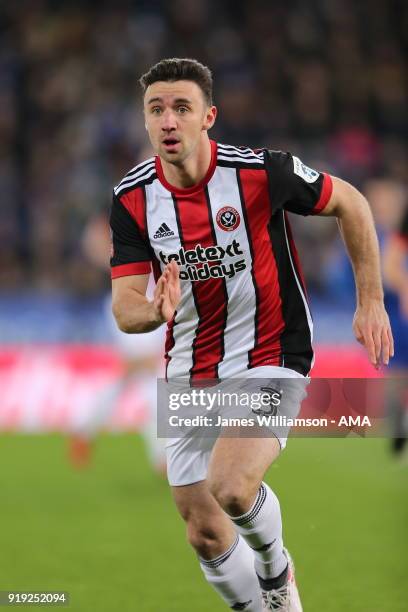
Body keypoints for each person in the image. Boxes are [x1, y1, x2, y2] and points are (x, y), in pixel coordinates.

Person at [109, 58, 393, 611]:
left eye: (181, 108)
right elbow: (126, 308)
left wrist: (371, 299)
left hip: (272, 349)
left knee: (233, 486)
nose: (168, 120)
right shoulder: (131, 199)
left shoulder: (262, 173)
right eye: (156, 109)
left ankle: (275, 569)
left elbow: (351, 203)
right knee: (205, 532)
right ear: (145, 122)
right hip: (190, 366)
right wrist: (153, 311)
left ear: (208, 117)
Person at [383, 204, 408, 456]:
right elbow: (390, 264)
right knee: (398, 374)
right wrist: (404, 288)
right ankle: (398, 431)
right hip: (403, 315)